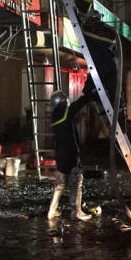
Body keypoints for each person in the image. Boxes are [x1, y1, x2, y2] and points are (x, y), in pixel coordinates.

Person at [47, 89, 97, 221]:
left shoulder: (55, 115)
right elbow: (78, 104)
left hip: (59, 153)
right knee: (76, 181)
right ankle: (77, 212)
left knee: (60, 183)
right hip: (70, 152)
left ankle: (52, 210)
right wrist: (90, 94)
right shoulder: (66, 111)